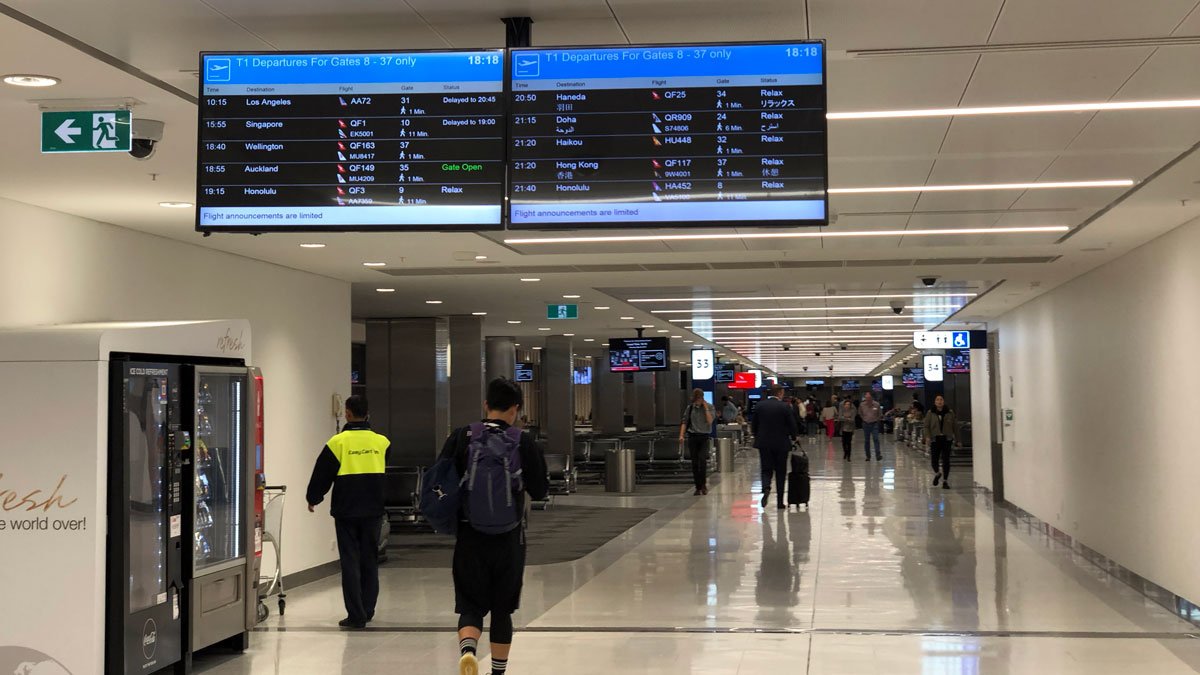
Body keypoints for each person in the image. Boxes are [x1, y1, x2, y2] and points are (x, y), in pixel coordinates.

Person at [441, 378, 548, 675]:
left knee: (470, 606)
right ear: (516, 408)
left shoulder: (462, 436)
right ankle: (498, 672)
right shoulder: (522, 441)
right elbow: (540, 491)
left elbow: (441, 479)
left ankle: (469, 651)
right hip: (509, 536)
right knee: (502, 609)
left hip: (469, 534)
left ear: (486, 405)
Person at [305, 395, 390, 629]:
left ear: (348, 413)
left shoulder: (338, 443)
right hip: (373, 510)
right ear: (368, 414)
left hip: (346, 511)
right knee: (370, 560)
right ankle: (368, 608)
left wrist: (314, 497)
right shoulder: (382, 442)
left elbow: (322, 473)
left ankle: (356, 615)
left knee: (350, 562)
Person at [751, 385, 797, 509]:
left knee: (766, 469)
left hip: (764, 443)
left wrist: (757, 436)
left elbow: (754, 424)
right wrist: (794, 437)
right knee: (780, 472)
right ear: (780, 393)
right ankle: (780, 502)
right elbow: (792, 425)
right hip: (781, 444)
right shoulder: (785, 407)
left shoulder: (760, 406)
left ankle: (766, 488)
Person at [680, 389, 715, 496]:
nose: (697, 401)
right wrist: (681, 435)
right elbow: (685, 422)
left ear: (702, 398)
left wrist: (705, 408)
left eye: (699, 399)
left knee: (702, 460)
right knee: (694, 462)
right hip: (693, 436)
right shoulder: (690, 408)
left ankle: (703, 485)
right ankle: (697, 486)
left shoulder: (710, 407)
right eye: (696, 399)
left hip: (704, 437)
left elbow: (710, 421)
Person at [924, 394, 959, 489]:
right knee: (934, 460)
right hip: (935, 439)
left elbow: (955, 426)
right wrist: (927, 437)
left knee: (946, 460)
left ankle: (945, 481)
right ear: (935, 402)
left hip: (946, 439)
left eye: (941, 400)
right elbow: (926, 426)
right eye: (937, 400)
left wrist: (958, 439)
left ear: (944, 401)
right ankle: (937, 473)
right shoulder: (930, 413)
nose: (939, 401)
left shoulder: (949, 412)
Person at [859, 392, 883, 461]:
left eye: (869, 398)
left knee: (876, 439)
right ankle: (868, 456)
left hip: (874, 424)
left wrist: (877, 420)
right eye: (866, 398)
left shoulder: (876, 404)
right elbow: (860, 413)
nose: (868, 399)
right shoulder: (862, 405)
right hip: (866, 424)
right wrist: (864, 419)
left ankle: (878, 455)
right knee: (867, 440)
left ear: (871, 398)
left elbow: (879, 414)